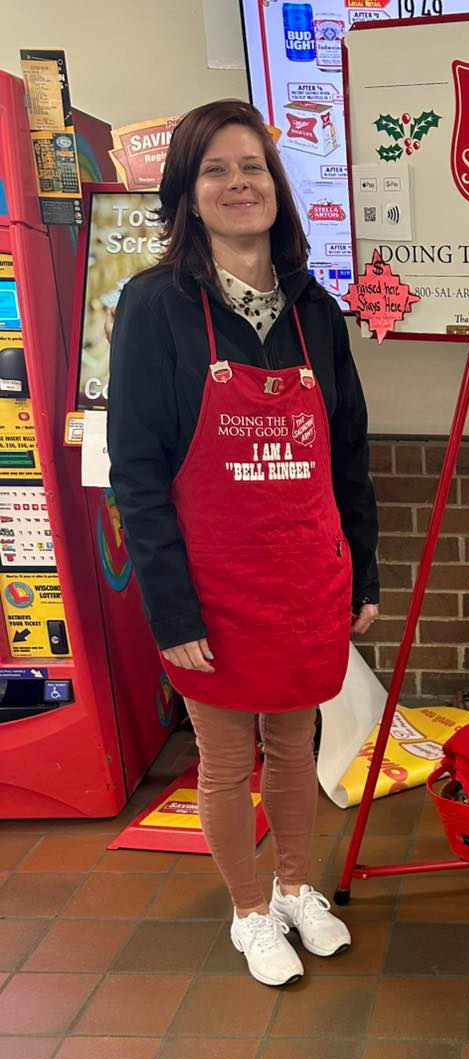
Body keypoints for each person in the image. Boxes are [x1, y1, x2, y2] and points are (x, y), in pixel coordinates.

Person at [108, 100, 380, 987]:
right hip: (211, 587)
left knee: (296, 745)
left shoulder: (315, 311)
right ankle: (249, 911)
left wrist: (361, 573)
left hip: (304, 580)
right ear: (187, 192)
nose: (239, 184)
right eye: (216, 169)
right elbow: (138, 476)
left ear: (277, 187)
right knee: (227, 760)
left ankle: (298, 887)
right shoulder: (155, 309)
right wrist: (170, 607)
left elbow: (348, 458)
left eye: (254, 168)